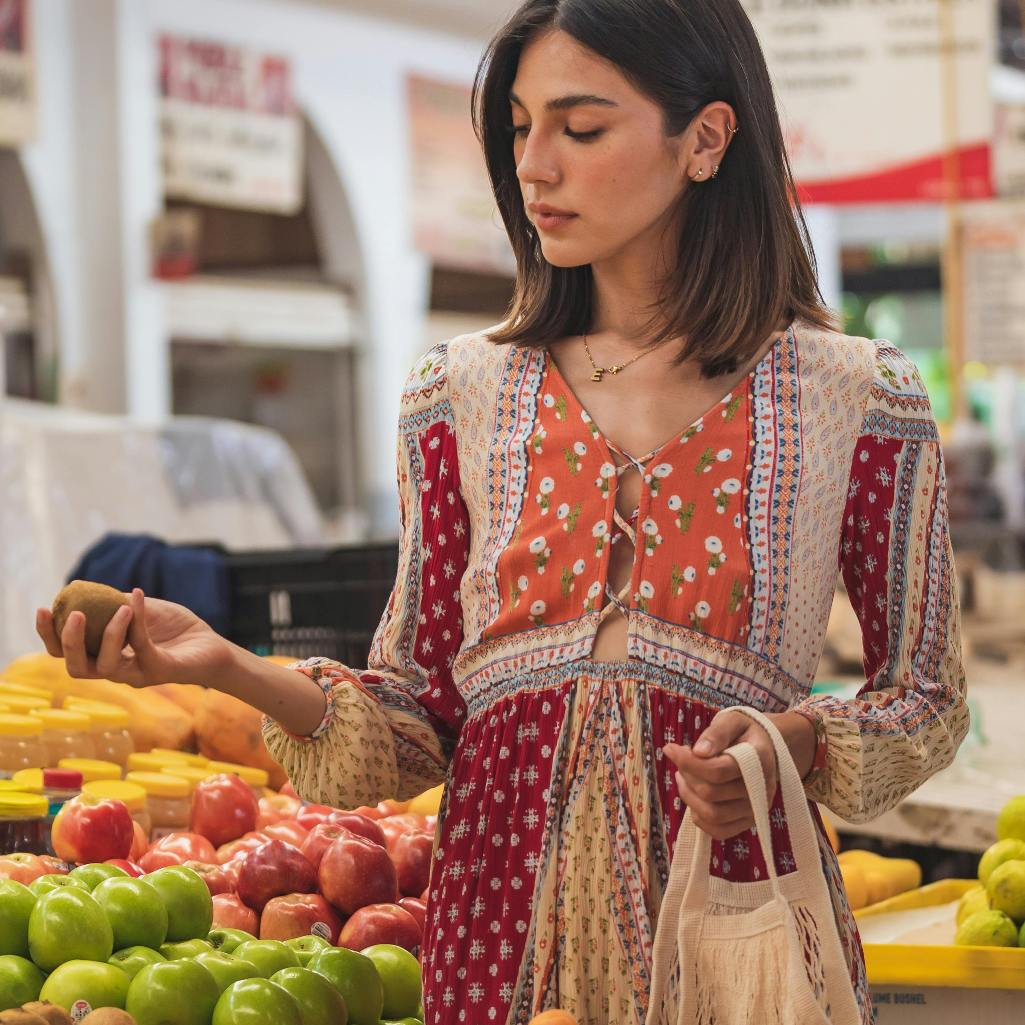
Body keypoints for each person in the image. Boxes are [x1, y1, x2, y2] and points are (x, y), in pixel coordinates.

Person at [37, 1, 968, 1022]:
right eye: (519, 128)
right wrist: (223, 662)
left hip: (733, 934)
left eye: (579, 127)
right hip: (493, 938)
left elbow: (922, 695)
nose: (534, 166)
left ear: (704, 138)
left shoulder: (852, 394)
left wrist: (791, 737)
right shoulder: (458, 394)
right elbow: (415, 714)